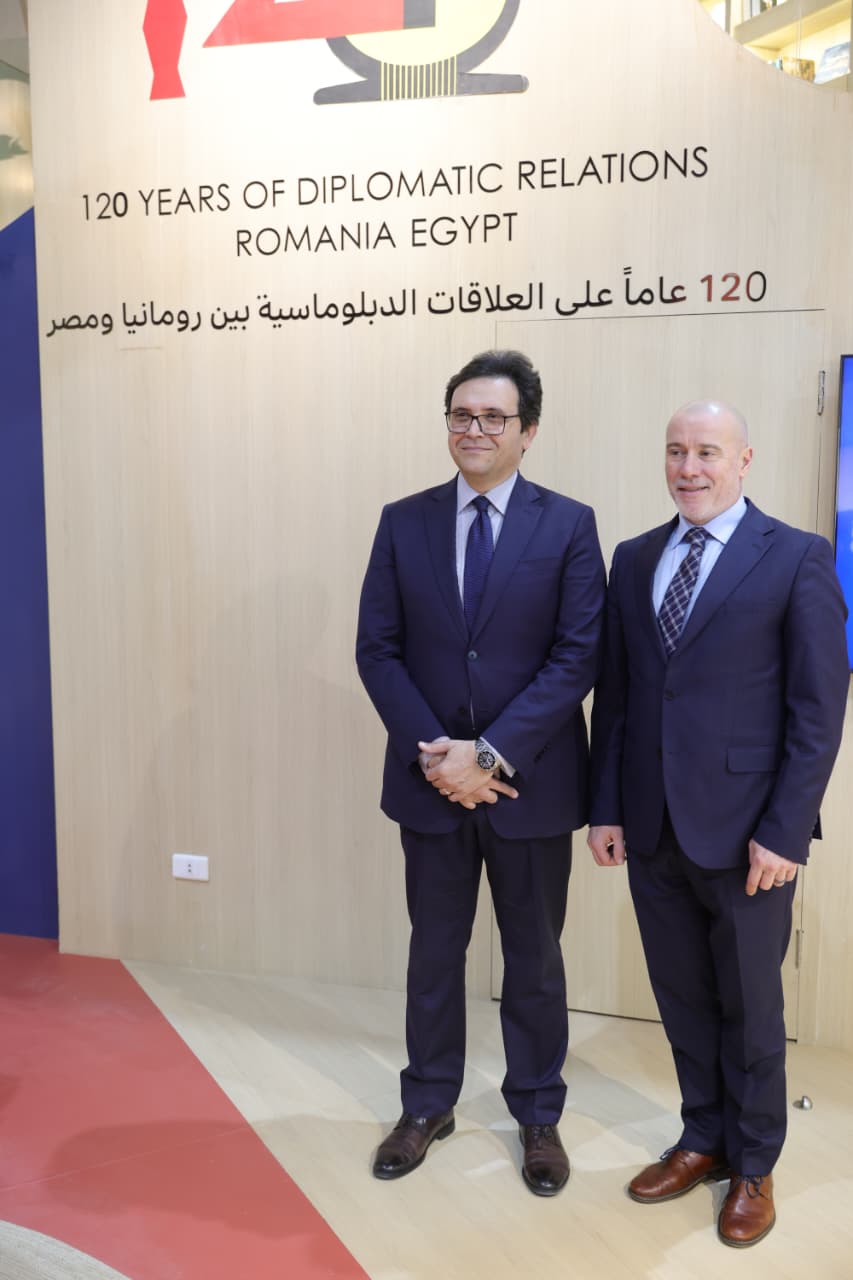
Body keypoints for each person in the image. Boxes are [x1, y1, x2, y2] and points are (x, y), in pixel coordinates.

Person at [587, 399, 849, 1247]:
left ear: (743, 460)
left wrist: (785, 828)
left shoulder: (797, 556)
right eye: (675, 451)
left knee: (750, 1006)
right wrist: (605, 808)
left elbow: (817, 709)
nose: (688, 468)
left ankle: (754, 1165)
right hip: (650, 825)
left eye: (706, 451)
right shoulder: (634, 558)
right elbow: (618, 697)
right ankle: (702, 1137)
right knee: (682, 998)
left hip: (748, 837)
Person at [356, 350, 605, 1194]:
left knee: (533, 959)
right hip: (429, 784)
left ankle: (537, 1115)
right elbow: (378, 649)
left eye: (493, 418)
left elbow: (576, 657)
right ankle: (426, 1105)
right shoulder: (403, 522)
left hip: (530, 785)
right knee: (433, 952)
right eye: (461, 414)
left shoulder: (567, 525)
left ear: (526, 432)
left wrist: (489, 755)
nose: (474, 429)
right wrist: (439, 754)